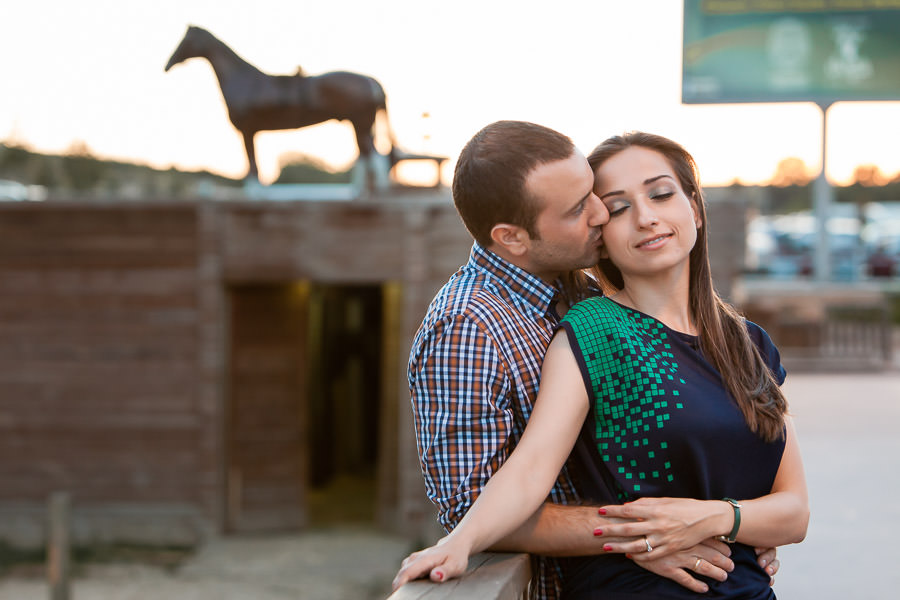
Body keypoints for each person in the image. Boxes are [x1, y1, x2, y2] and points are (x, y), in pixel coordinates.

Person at [395, 130, 807, 599]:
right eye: (609, 208)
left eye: (661, 193)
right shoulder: (510, 324)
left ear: (695, 206)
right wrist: (645, 534)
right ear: (511, 238)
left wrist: (724, 521)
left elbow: (792, 510)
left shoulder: (746, 341)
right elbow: (505, 483)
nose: (604, 216)